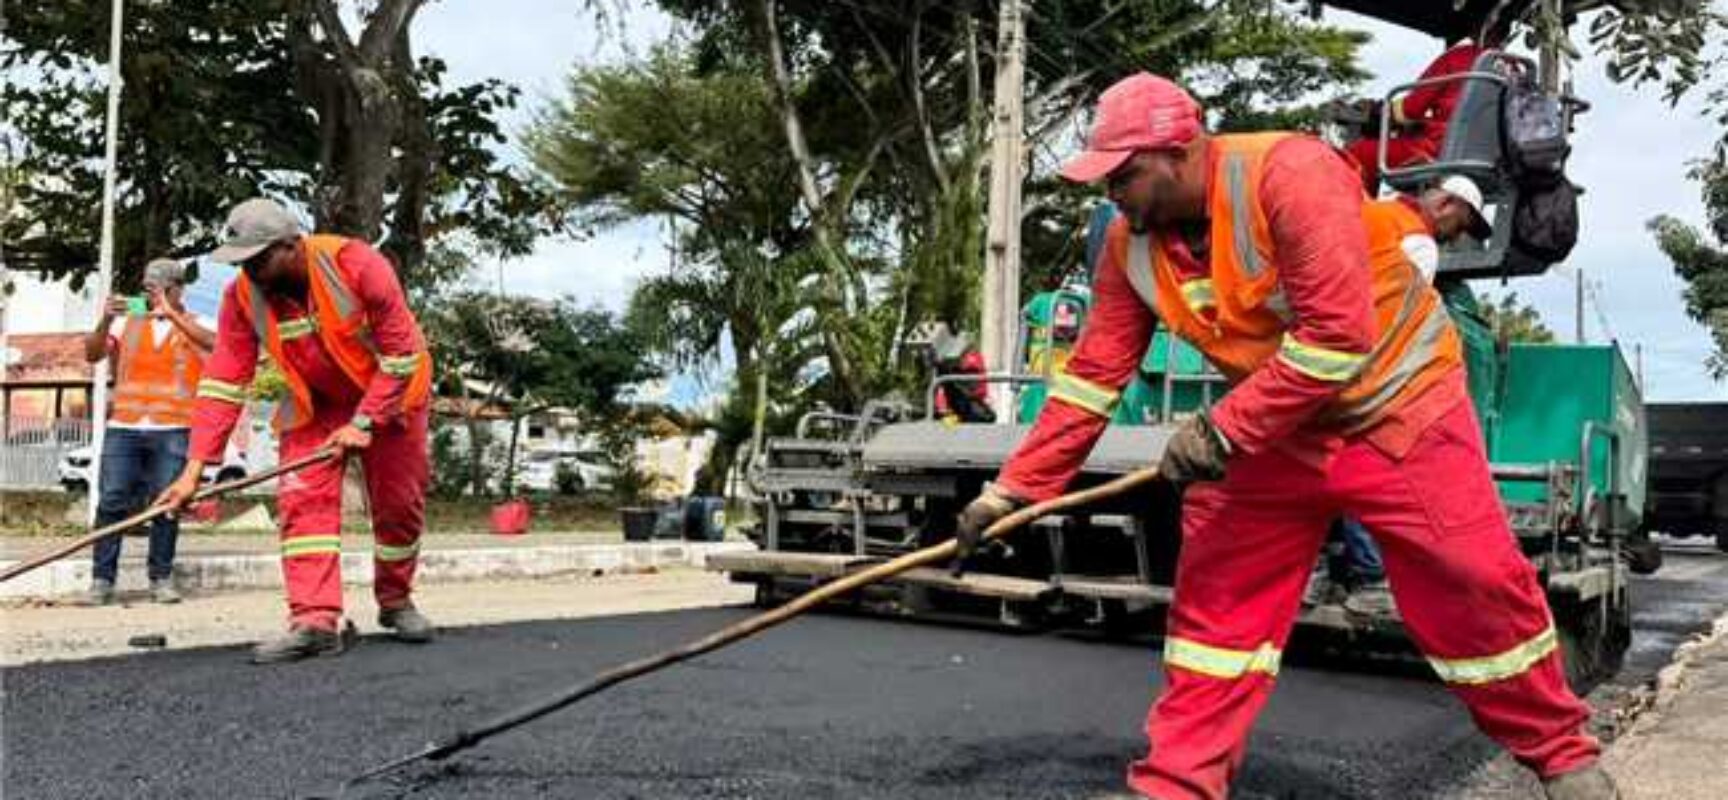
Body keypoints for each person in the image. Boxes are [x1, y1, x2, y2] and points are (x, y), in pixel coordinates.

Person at [950, 75, 1616, 800]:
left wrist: (1220, 430)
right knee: (1218, 608)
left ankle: (1562, 758)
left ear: (1179, 150)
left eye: (1124, 173)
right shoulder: (1126, 244)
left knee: (1474, 581)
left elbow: (1336, 341)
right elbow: (1090, 382)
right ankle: (1175, 785)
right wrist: (1012, 491)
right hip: (1279, 425)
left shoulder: (1291, 174)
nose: (1112, 191)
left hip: (1397, 406)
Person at [155, 198, 436, 664]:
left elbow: (402, 356)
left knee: (398, 506)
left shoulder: (357, 265)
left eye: (259, 259)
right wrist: (194, 470)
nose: (250, 271)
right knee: (302, 500)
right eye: (241, 263)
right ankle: (314, 620)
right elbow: (224, 384)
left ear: (291, 244)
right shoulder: (242, 298)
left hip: (393, 397)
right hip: (316, 404)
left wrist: (365, 422)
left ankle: (396, 601)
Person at [80, 258, 215, 606]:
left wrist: (173, 316)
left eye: (159, 289)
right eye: (148, 289)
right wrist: (107, 316)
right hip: (124, 425)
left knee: (166, 504)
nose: (152, 295)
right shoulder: (128, 322)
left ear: (176, 289)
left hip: (174, 427)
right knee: (111, 501)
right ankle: (101, 580)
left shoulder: (196, 323)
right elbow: (93, 353)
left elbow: (217, 347)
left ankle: (161, 578)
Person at [1344, 31, 1503, 191]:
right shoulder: (1516, 69)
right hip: (1490, 163)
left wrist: (1377, 109)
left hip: (1441, 153)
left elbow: (1409, 110)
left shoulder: (1460, 56)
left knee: (1359, 152)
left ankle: (1355, 213)